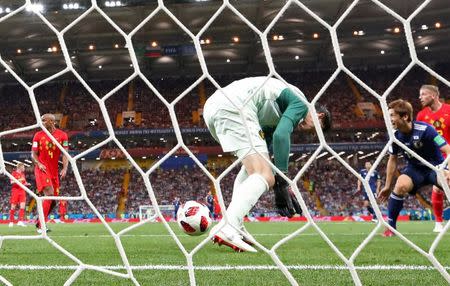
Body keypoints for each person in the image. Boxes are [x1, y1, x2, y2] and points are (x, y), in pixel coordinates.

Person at [203, 77, 331, 252]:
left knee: (253, 172)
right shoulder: (301, 104)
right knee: (265, 176)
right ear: (319, 116)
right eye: (316, 129)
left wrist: (280, 182)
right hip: (235, 106)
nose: (310, 133)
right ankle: (228, 226)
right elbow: (281, 136)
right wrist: (281, 184)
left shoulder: (276, 114)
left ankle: (236, 225)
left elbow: (270, 145)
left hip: (215, 107)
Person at [378, 99, 450, 237]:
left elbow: (448, 149)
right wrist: (387, 186)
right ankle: (391, 228)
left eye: (392, 115)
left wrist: (448, 171)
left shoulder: (426, 129)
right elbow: (392, 160)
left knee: (448, 182)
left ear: (405, 116)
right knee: (400, 185)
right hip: (414, 170)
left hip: (435, 167)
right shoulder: (394, 136)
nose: (389, 119)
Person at [416, 84, 450, 232]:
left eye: (423, 94)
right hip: (436, 159)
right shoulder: (421, 115)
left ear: (434, 96)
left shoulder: (449, 110)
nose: (420, 97)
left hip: (449, 153)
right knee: (437, 188)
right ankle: (438, 223)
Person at [31, 114, 69, 233]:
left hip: (54, 171)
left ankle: (39, 223)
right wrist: (38, 163)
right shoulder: (38, 135)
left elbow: (65, 153)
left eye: (43, 120)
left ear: (52, 121)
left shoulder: (62, 135)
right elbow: (33, 154)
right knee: (49, 193)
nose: (41, 122)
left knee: (53, 200)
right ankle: (42, 226)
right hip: (42, 169)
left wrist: (65, 167)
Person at [9, 163, 30, 227]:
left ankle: (20, 221)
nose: (24, 168)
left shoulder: (23, 174)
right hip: (15, 191)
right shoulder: (14, 173)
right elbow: (11, 182)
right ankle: (11, 221)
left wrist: (27, 184)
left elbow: (24, 182)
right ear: (20, 167)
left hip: (22, 191)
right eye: (23, 167)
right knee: (13, 206)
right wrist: (19, 180)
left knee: (22, 206)